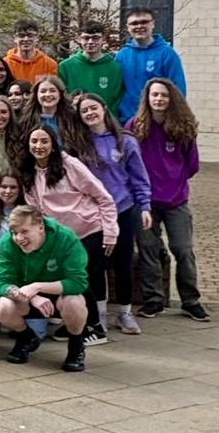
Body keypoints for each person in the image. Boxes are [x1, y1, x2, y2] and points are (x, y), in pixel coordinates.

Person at [19, 126, 117, 346]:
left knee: (77, 280)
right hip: (62, 239)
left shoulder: (69, 165)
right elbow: (37, 210)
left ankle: (96, 329)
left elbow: (104, 197)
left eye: (44, 141)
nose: (39, 146)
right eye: (34, 141)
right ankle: (76, 324)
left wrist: (111, 233)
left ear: (53, 144)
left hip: (89, 231)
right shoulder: (28, 171)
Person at [126, 78, 209, 321]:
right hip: (145, 202)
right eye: (154, 95)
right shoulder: (135, 126)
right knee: (148, 250)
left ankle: (190, 301)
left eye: (164, 95)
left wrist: (174, 181)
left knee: (183, 249)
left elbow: (192, 165)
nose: (159, 99)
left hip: (176, 201)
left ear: (171, 98)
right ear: (147, 98)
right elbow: (128, 162)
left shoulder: (183, 126)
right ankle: (153, 300)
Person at [78, 92, 151, 335]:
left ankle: (125, 313)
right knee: (96, 264)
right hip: (93, 213)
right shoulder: (80, 143)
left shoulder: (125, 140)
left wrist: (145, 206)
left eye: (93, 108)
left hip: (122, 209)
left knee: (123, 262)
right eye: (84, 110)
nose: (90, 113)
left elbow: (139, 177)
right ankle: (99, 314)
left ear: (103, 108)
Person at [0, 205, 90, 372]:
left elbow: (78, 282)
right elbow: (2, 282)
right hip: (27, 296)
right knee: (3, 307)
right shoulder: (6, 243)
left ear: (40, 227)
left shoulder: (66, 238)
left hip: (59, 292)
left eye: (24, 232)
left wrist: (37, 287)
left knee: (74, 302)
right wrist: (32, 296)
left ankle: (76, 344)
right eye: (14, 233)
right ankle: (25, 337)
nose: (19, 238)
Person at [116, 6, 187, 122]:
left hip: (157, 121)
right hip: (127, 120)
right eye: (134, 23)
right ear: (128, 27)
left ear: (153, 24)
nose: (139, 26)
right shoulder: (122, 55)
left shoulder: (167, 54)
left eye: (144, 22)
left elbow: (178, 90)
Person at [58, 20, 123, 115]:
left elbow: (116, 100)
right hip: (74, 120)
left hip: (105, 120)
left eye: (95, 38)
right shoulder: (65, 66)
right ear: (79, 39)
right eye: (86, 38)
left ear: (103, 39)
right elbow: (61, 98)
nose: (90, 42)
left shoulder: (114, 67)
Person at [3, 19, 58, 83]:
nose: (26, 39)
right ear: (15, 38)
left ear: (37, 37)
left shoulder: (49, 64)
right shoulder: (5, 64)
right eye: (21, 35)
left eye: (30, 35)